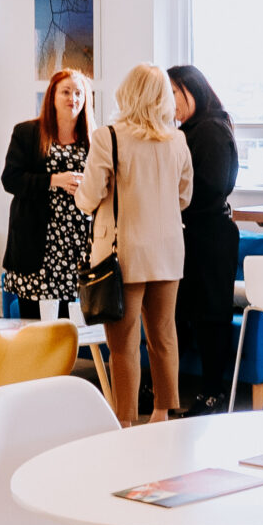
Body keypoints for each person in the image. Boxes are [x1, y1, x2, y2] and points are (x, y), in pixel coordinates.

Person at [79, 63, 193, 425]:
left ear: (127, 93)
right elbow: (184, 196)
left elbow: (89, 196)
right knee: (164, 336)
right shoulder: (177, 139)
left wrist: (82, 194)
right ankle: (161, 413)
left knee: (124, 343)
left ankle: (125, 421)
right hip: (169, 252)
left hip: (123, 254)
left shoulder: (108, 137)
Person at [169, 63, 239, 415]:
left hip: (210, 237)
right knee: (184, 313)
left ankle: (213, 394)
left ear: (191, 89)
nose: (170, 103)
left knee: (211, 317)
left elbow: (211, 187)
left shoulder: (209, 130)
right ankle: (175, 390)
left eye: (174, 94)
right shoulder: (188, 130)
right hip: (193, 235)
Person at [0, 68, 93, 319]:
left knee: (67, 322)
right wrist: (55, 180)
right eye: (65, 92)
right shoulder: (27, 133)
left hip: (75, 244)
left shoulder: (93, 139)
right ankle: (34, 360)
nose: (72, 98)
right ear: (51, 96)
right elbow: (11, 180)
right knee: (32, 321)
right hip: (35, 242)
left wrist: (88, 183)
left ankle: (64, 361)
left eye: (78, 93)